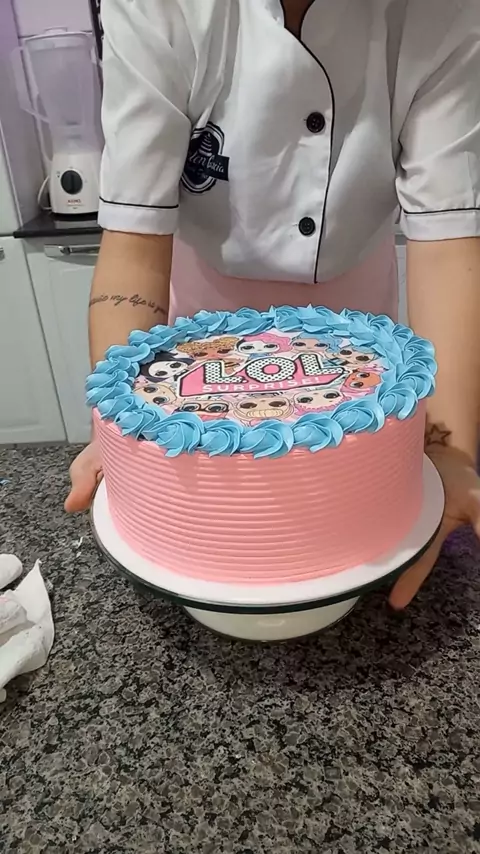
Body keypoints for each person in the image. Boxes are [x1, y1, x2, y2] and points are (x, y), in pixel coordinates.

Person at [66, 0, 480, 609]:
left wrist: (449, 451)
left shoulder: (440, 11)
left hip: (363, 352)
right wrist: (123, 434)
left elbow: (448, 240)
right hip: (197, 354)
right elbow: (135, 238)